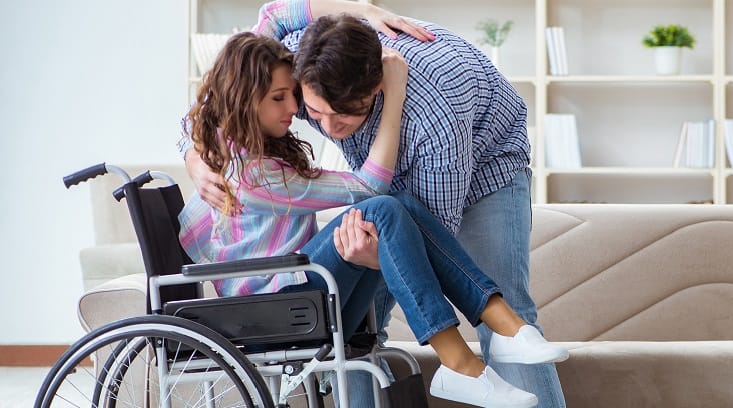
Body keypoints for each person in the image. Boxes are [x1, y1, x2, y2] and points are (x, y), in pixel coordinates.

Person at [182, 2, 566, 407]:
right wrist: (194, 158)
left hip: (484, 165)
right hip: (273, 294)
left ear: (374, 89)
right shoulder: (280, 85)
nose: (305, 118)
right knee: (385, 210)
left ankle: (495, 334)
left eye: (345, 117)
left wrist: (384, 258)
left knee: (391, 211)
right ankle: (478, 348)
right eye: (311, 109)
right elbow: (269, 21)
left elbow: (433, 225)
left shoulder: (436, 119)